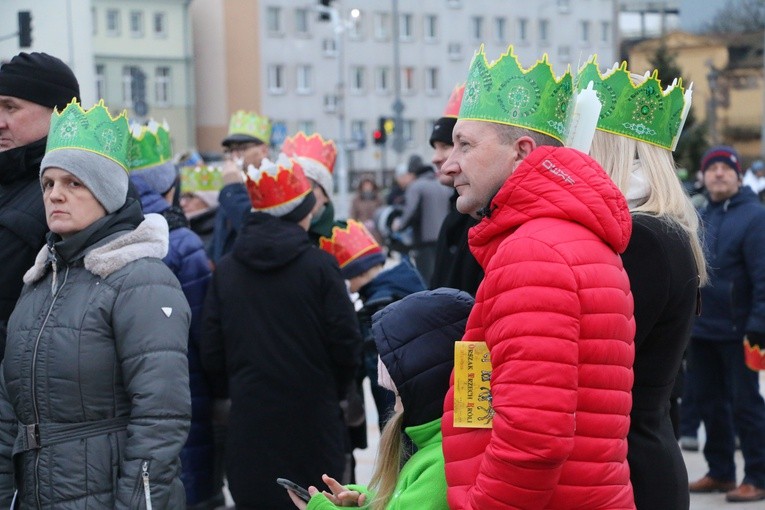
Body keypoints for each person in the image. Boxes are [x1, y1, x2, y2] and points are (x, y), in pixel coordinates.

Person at [439, 46, 636, 509]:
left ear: (521, 151)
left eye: (465, 145)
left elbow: (533, 436)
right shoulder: (566, 239)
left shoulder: (533, 253)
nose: (449, 164)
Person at [0, 99, 191, 508]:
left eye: (74, 183)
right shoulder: (39, 281)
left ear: (105, 192)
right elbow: (8, 410)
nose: (55, 195)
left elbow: (161, 417)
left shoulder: (142, 280)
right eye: (48, 184)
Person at [579, 58, 708, 510]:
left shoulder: (643, 238)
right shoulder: (659, 228)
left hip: (633, 468)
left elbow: (604, 358)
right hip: (638, 456)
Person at [200, 154, 362, 509]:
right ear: (299, 214)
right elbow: (347, 343)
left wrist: (239, 387)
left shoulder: (227, 270)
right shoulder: (320, 267)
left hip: (250, 423)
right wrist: (331, 390)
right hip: (314, 423)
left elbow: (210, 348)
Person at [287, 287, 474, 510]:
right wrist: (369, 504)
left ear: (427, 390)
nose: (395, 407)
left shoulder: (440, 468)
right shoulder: (442, 453)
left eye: (398, 395)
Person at [128, 121, 221, 509]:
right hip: (187, 391)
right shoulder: (182, 243)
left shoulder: (108, 232)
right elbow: (205, 331)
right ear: (171, 188)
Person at [686, 145, 765, 502]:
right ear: (703, 175)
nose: (718, 173)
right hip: (703, 331)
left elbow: (763, 277)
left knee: (745, 405)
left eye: (726, 167)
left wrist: (758, 325)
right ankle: (720, 472)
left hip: (742, 334)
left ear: (737, 175)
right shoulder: (704, 214)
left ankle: (758, 476)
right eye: (712, 167)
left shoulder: (755, 217)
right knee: (708, 403)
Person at [0, 51, 80, 358]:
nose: (1, 122)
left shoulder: (81, 196)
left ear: (57, 113)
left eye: (10, 107)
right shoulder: (11, 181)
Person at [319, 219, 427, 431]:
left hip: (396, 406)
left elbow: (376, 366)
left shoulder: (378, 304)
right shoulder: (405, 282)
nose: (347, 288)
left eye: (347, 280)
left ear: (359, 273)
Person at [427, 83, 483, 295]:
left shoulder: (482, 217)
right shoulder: (455, 214)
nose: (436, 158)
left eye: (446, 146)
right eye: (435, 147)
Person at [210, 110, 271, 264]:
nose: (234, 156)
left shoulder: (271, 186)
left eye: (242, 149)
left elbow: (252, 230)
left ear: (263, 150)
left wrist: (232, 189)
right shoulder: (235, 186)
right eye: (231, 150)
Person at [392, 154, 452, 283]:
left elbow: (410, 211)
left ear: (412, 172)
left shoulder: (416, 186)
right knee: (441, 277)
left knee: (426, 279)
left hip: (423, 240)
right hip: (443, 238)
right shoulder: (441, 184)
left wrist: (399, 225)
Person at [280, 131, 338, 241]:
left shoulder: (342, 237)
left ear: (325, 195)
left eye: (308, 184)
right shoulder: (273, 237)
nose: (301, 193)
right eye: (294, 185)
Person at [180, 163, 224, 257]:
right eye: (182, 197)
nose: (182, 203)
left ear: (210, 201)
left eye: (190, 197)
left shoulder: (220, 236)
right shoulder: (183, 229)